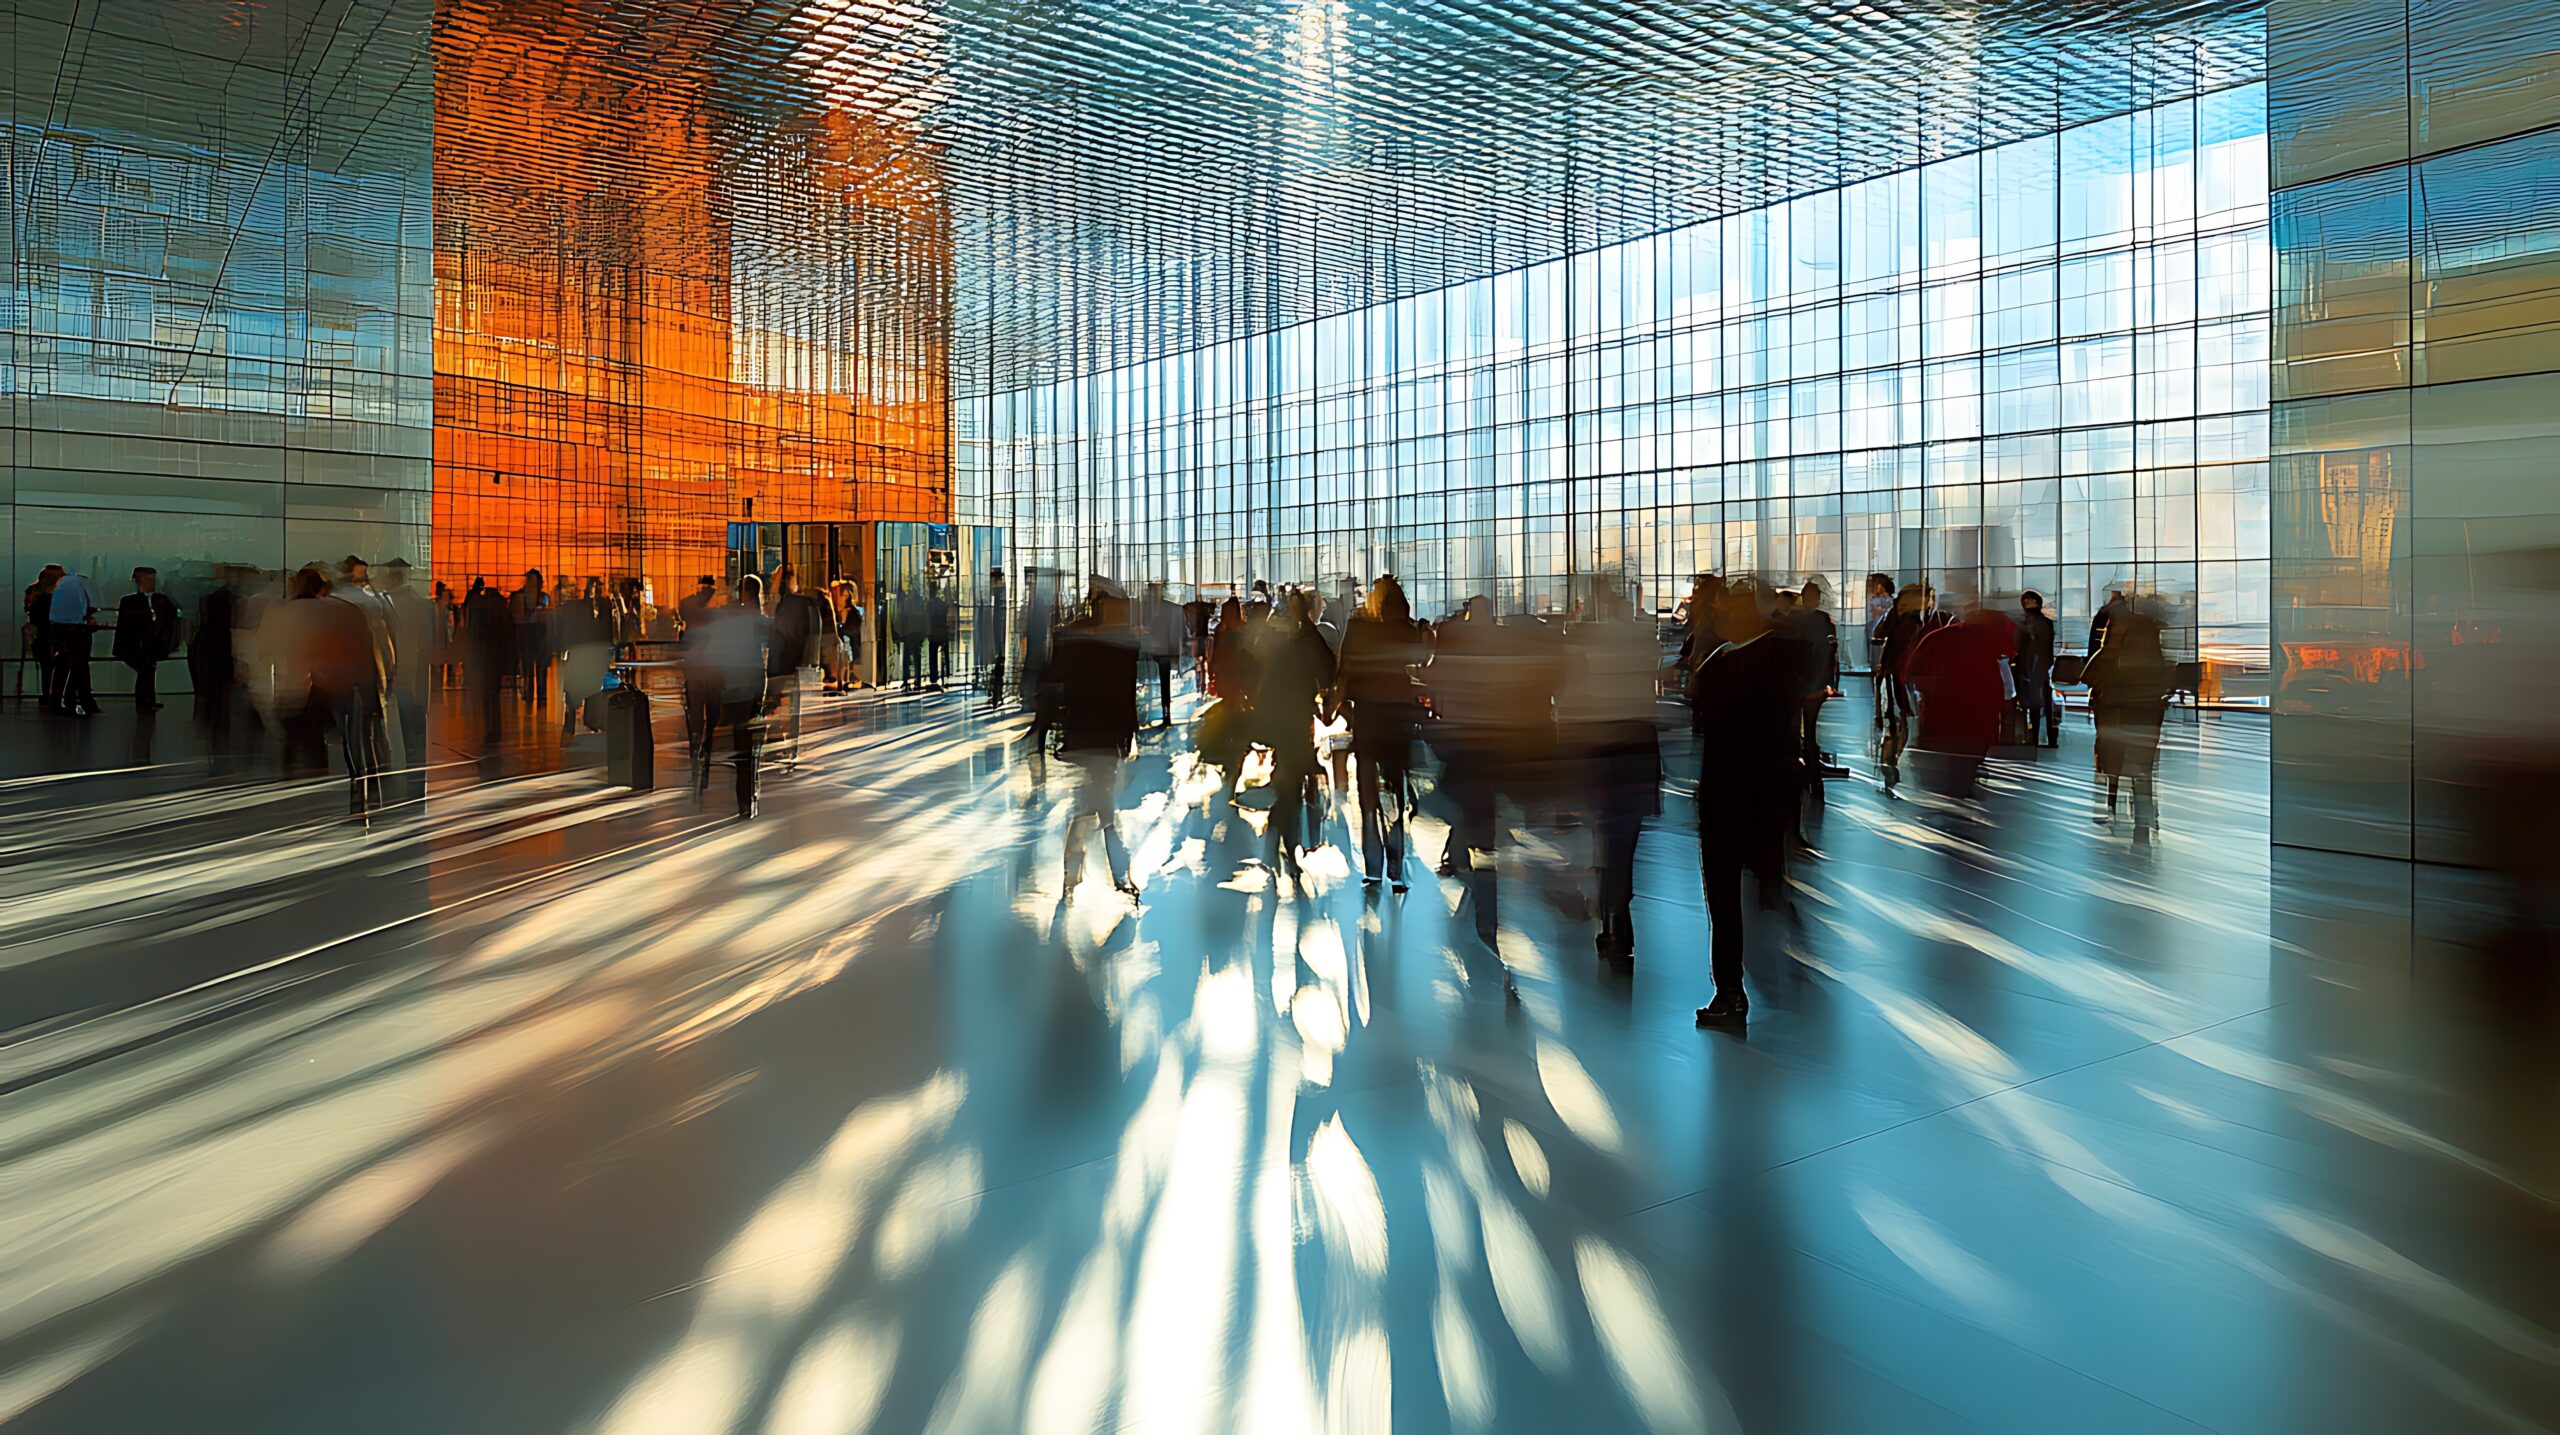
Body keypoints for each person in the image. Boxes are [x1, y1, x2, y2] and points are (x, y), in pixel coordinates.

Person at [1686, 580, 1800, 1028]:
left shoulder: (1721, 666)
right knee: (1764, 878)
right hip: (1769, 790)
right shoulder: (1786, 655)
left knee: (1725, 894)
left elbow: (1709, 729)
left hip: (1727, 793)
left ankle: (1730, 991)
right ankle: (1770, 964)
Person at [1562, 583, 1662, 957]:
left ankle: (1613, 917)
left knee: (1606, 836)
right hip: (1639, 741)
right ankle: (1619, 916)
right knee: (1625, 839)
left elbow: (1576, 692)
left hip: (1605, 743)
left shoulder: (1588, 639)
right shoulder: (1643, 636)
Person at [1334, 576, 1429, 890]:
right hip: (1396, 718)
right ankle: (1396, 867)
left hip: (1368, 718)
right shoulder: (1405, 628)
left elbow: (1344, 669)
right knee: (1396, 794)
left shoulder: (1359, 627)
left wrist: (1340, 704)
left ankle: (1372, 867)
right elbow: (1421, 660)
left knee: (1367, 797)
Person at [1052, 579, 1142, 896]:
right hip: (1105, 734)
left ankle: (1075, 873)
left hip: (1087, 733)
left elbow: (1062, 684)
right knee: (1099, 807)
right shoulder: (1124, 643)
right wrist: (1131, 732)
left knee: (1095, 806)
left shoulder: (1075, 636)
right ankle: (1114, 875)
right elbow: (1127, 693)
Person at [1903, 596, 2014, 799]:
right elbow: (2001, 680)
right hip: (1977, 713)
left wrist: (1926, 692)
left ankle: (1952, 787)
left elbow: (1913, 670)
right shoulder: (1989, 643)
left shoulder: (1940, 637)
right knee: (1967, 752)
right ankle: (1962, 784)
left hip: (1943, 709)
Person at [1258, 591, 1336, 877]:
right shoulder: (1308, 639)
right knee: (1292, 779)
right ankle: (1288, 844)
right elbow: (1327, 670)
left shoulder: (1281, 636)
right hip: (1296, 715)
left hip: (1281, 714)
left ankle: (1281, 842)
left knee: (1288, 778)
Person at [2081, 607, 2174, 843]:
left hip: (2115, 718)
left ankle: (2113, 804)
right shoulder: (2157, 662)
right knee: (2143, 771)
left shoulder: (2107, 657)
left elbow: (2087, 677)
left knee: (2116, 763)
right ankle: (2142, 824)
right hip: (2146, 719)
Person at [686, 573, 773, 818]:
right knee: (746, 744)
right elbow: (774, 635)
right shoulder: (754, 619)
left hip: (733, 687)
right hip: (752, 685)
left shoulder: (726, 620)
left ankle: (739, 794)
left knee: (734, 740)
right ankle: (746, 796)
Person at [330, 559, 396, 791]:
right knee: (371, 725)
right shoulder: (370, 603)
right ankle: (377, 770)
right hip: (369, 671)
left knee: (357, 728)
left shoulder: (347, 603)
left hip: (355, 673)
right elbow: (386, 643)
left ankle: (364, 772)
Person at [379, 560, 433, 756]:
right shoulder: (418, 602)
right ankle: (414, 733)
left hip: (397, 658)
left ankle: (408, 734)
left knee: (402, 698)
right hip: (412, 657)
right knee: (409, 695)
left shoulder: (387, 602)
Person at [112, 567, 182, 713]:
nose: (153, 582)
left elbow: (172, 618)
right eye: (149, 579)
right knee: (146, 671)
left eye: (153, 579)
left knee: (147, 671)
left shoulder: (161, 600)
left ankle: (146, 701)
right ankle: (146, 702)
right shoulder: (131, 601)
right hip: (138, 644)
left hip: (152, 643)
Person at [556, 576, 617, 739]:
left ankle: (573, 726)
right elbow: (608, 632)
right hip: (591, 653)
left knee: (577, 691)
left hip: (585, 653)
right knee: (585, 690)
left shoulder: (576, 608)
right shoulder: (601, 607)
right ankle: (587, 724)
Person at [193, 566, 244, 742]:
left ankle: (211, 721)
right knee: (223, 688)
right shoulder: (236, 602)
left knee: (213, 688)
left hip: (211, 648)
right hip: (224, 648)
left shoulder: (207, 600)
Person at [463, 577, 514, 749]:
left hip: (485, 657)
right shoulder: (499, 608)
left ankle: (489, 727)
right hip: (494, 657)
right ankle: (494, 727)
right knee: (493, 694)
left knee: (486, 695)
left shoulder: (477, 605)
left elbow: (473, 633)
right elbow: (507, 637)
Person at [47, 568, 101, 717]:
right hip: (80, 631)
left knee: (62, 666)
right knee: (80, 666)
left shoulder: (61, 586)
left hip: (61, 630)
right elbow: (92, 606)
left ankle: (57, 701)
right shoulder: (82, 584)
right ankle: (79, 699)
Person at [2015, 590, 2060, 748]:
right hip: (2040, 667)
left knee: (2032, 703)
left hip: (2030, 667)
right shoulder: (2045, 623)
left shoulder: (2027, 623)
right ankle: (2048, 738)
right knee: (2044, 703)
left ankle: (2033, 738)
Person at [1139, 581, 1183, 726]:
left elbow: (1174, 632)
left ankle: (1166, 712)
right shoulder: (1145, 608)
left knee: (1164, 683)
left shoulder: (1166, 608)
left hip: (1163, 651)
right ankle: (1153, 710)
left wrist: (1175, 654)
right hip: (1151, 650)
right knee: (1149, 681)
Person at [511, 570, 553, 710]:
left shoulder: (544, 597)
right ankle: (530, 696)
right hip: (528, 633)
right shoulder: (519, 596)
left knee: (540, 668)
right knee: (528, 667)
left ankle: (541, 697)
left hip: (538, 633)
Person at [24, 565, 63, 712]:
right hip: (51, 637)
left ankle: (48, 695)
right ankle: (54, 696)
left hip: (41, 637)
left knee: (47, 667)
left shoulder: (34, 595)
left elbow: (30, 614)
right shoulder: (56, 597)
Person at [979, 570, 1007, 705]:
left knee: (998, 668)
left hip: (999, 637)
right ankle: (997, 695)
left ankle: (997, 695)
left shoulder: (999, 594)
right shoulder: (1000, 594)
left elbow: (998, 617)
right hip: (998, 637)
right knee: (998, 668)